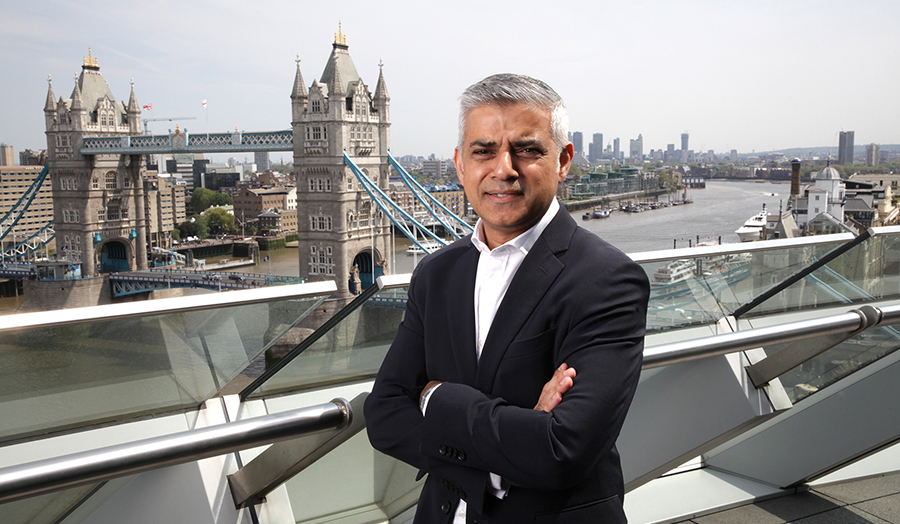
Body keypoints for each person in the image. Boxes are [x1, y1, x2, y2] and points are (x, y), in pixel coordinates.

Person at [365, 73, 650, 523]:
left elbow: (562, 450)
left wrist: (435, 398)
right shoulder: (435, 274)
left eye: (528, 149)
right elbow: (382, 415)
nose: (504, 169)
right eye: (483, 151)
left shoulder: (608, 280)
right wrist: (518, 434)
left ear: (563, 161)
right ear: (460, 164)